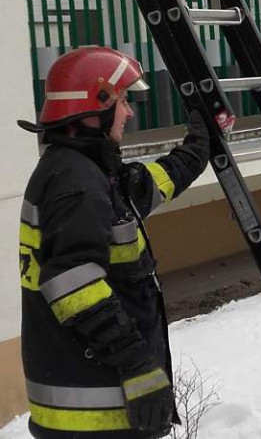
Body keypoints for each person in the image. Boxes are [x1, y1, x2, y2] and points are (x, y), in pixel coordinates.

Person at [17, 47, 211, 439]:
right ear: (96, 106)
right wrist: (138, 366)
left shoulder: (87, 171)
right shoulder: (77, 184)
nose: (129, 112)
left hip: (95, 402)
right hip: (93, 413)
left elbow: (147, 185)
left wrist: (199, 146)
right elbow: (76, 286)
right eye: (123, 101)